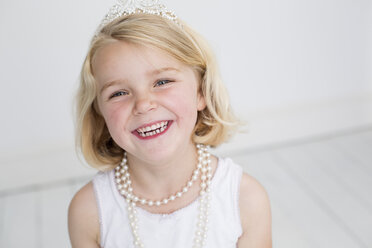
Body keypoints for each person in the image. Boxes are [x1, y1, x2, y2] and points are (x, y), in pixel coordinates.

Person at [68, 0, 272, 247]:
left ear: (201, 91)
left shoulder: (244, 200)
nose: (143, 104)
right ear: (99, 112)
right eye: (119, 93)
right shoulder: (89, 212)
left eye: (162, 82)